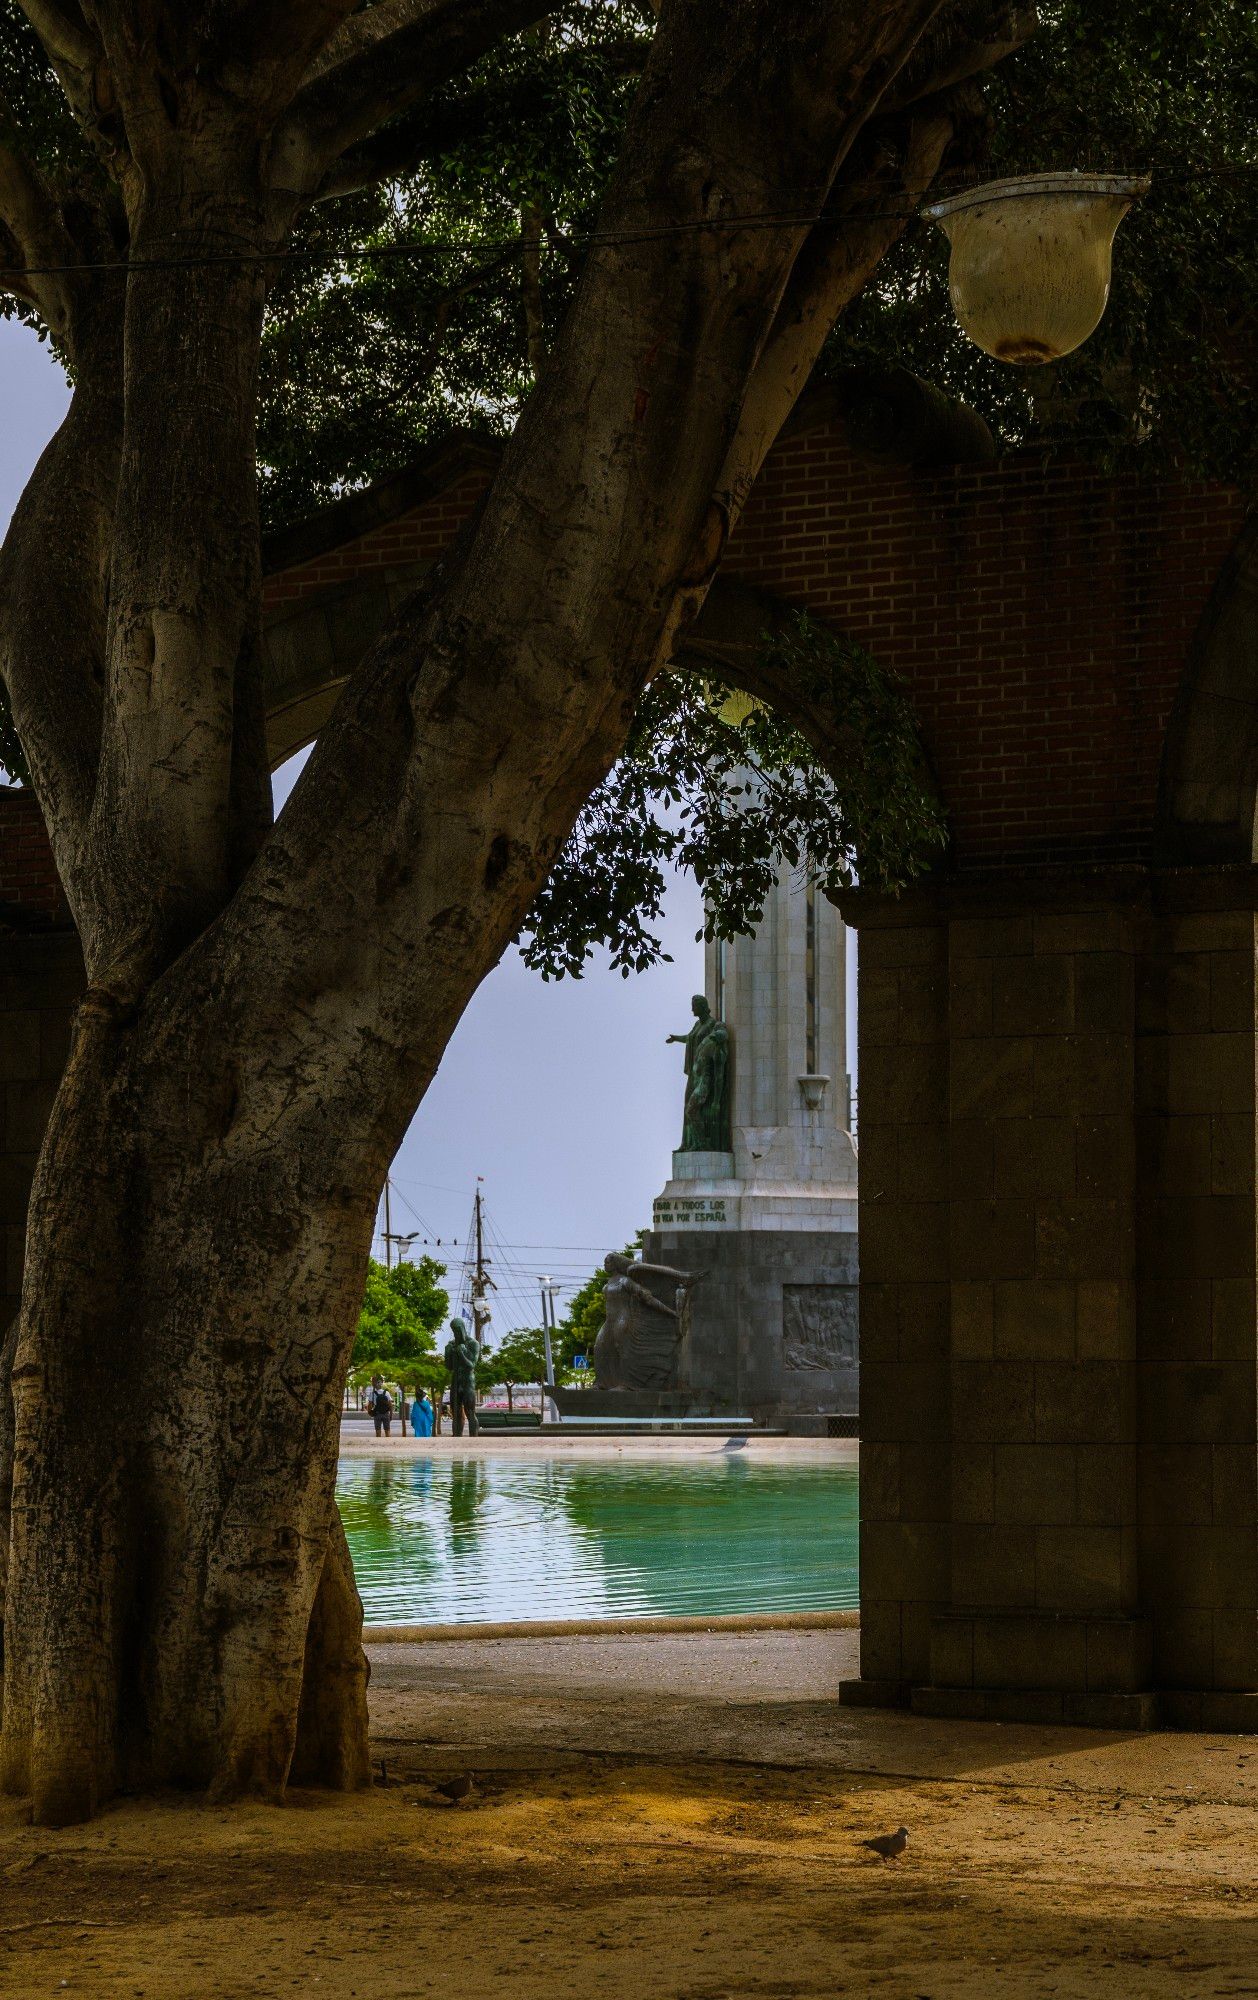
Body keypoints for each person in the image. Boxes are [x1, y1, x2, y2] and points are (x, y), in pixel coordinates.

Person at [443, 1316, 481, 1437]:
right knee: (456, 1413)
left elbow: (471, 1366)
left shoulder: (473, 1344)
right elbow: (449, 1367)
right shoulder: (452, 1345)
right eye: (454, 1330)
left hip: (468, 1382)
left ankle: (473, 1439)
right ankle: (456, 1438)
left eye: (458, 1330)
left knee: (470, 1412)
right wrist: (448, 1353)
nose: (456, 1333)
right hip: (455, 1382)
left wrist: (462, 1354)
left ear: (463, 1329)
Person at [368, 1373, 394, 1438]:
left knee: (378, 1431)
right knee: (387, 1431)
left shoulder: (372, 1394)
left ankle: (378, 1444)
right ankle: (388, 1444)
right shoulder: (386, 1393)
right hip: (386, 1414)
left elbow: (370, 1405)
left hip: (377, 1414)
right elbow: (390, 1405)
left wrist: (370, 1413)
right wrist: (391, 1415)